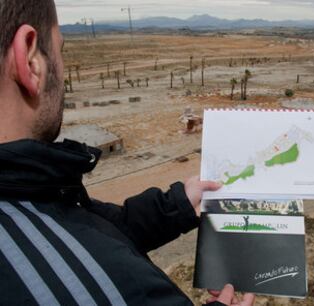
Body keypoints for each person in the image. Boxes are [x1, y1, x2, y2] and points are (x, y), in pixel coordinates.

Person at [0, 0, 256, 305]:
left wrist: (177, 204)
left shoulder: (30, 189)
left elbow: (98, 225)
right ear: (31, 60)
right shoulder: (110, 287)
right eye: (60, 49)